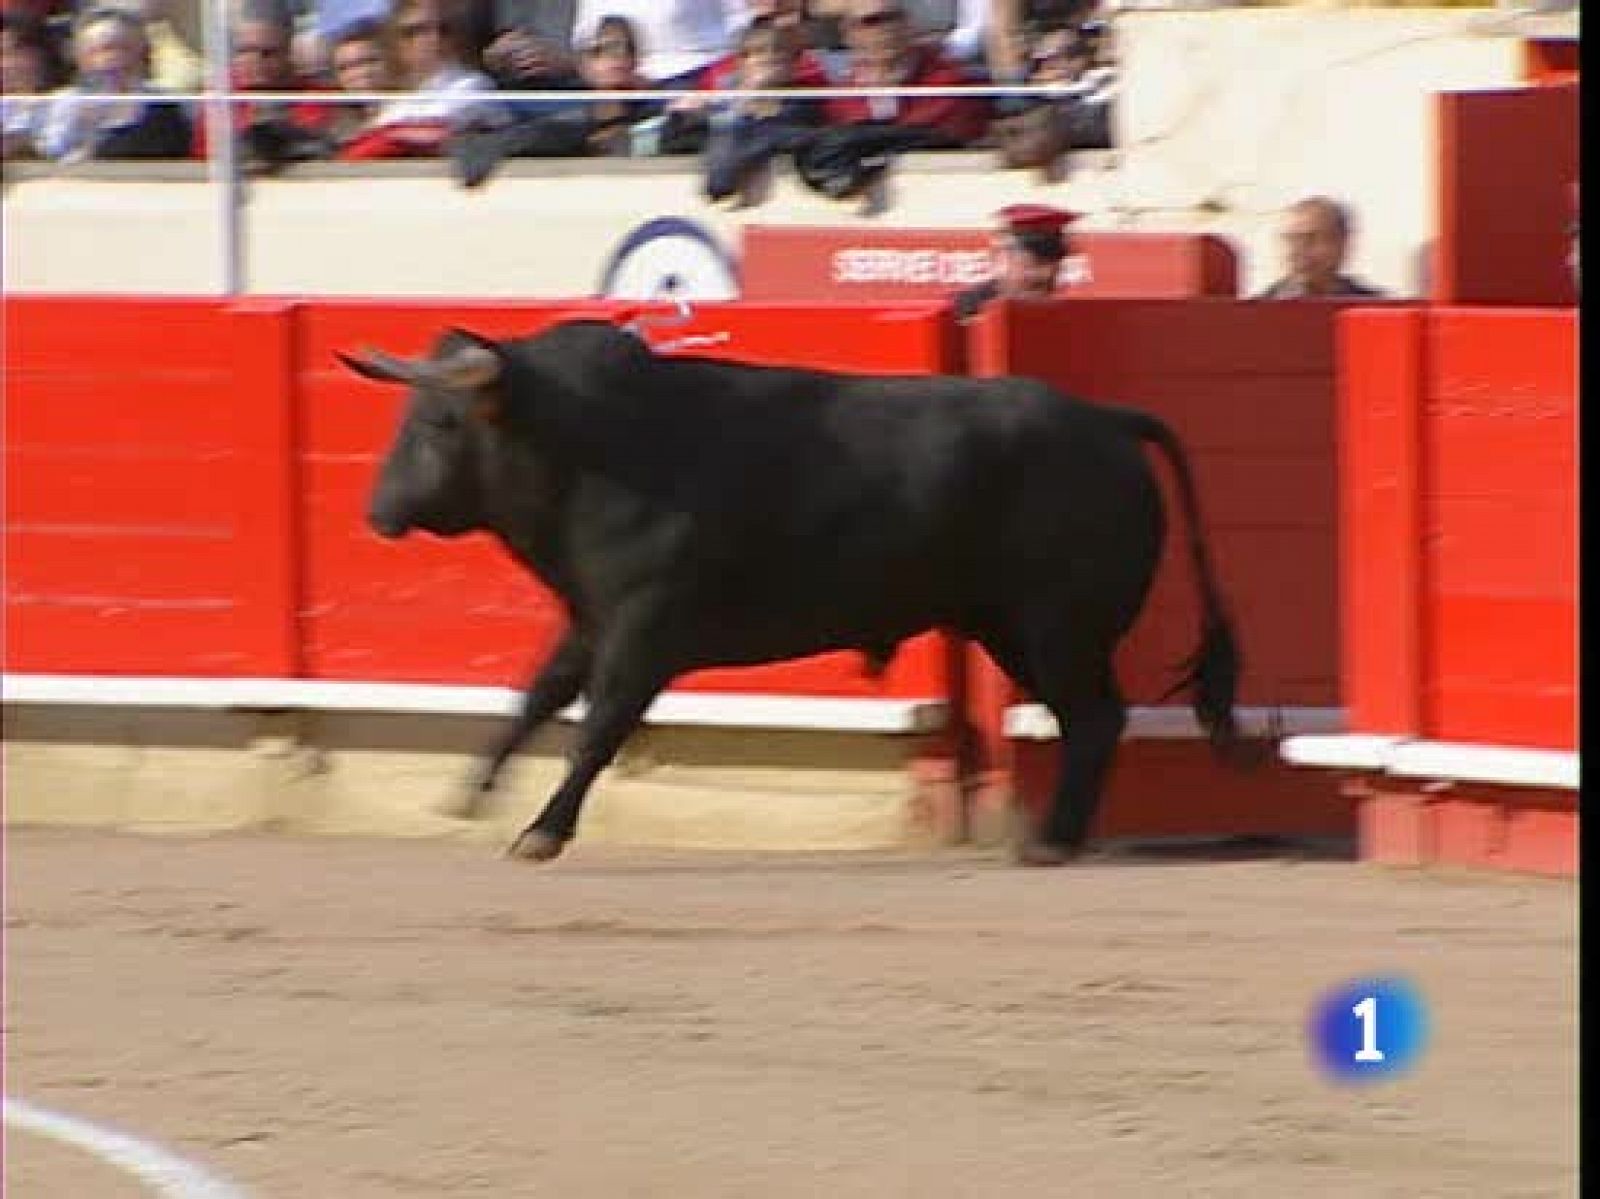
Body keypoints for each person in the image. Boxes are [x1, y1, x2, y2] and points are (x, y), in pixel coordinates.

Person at [36, 6, 191, 161]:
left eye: (123, 48)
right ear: (80, 58)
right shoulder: (63, 104)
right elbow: (51, 161)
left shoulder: (171, 103)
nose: (112, 58)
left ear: (143, 52)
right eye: (100, 50)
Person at [953, 201, 1078, 320]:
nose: (1046, 274)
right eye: (1036, 262)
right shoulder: (959, 317)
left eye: (1055, 263)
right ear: (1000, 258)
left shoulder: (1065, 321)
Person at [1255, 195, 1384, 300]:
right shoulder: (1257, 313)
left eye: (1309, 239)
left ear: (1342, 243)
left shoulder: (1375, 309)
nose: (1296, 251)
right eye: (1290, 239)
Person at [2, 9, 67, 160]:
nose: (4, 65)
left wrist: (19, 144)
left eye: (11, 53)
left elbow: (55, 152)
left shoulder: (64, 101)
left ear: (41, 57)